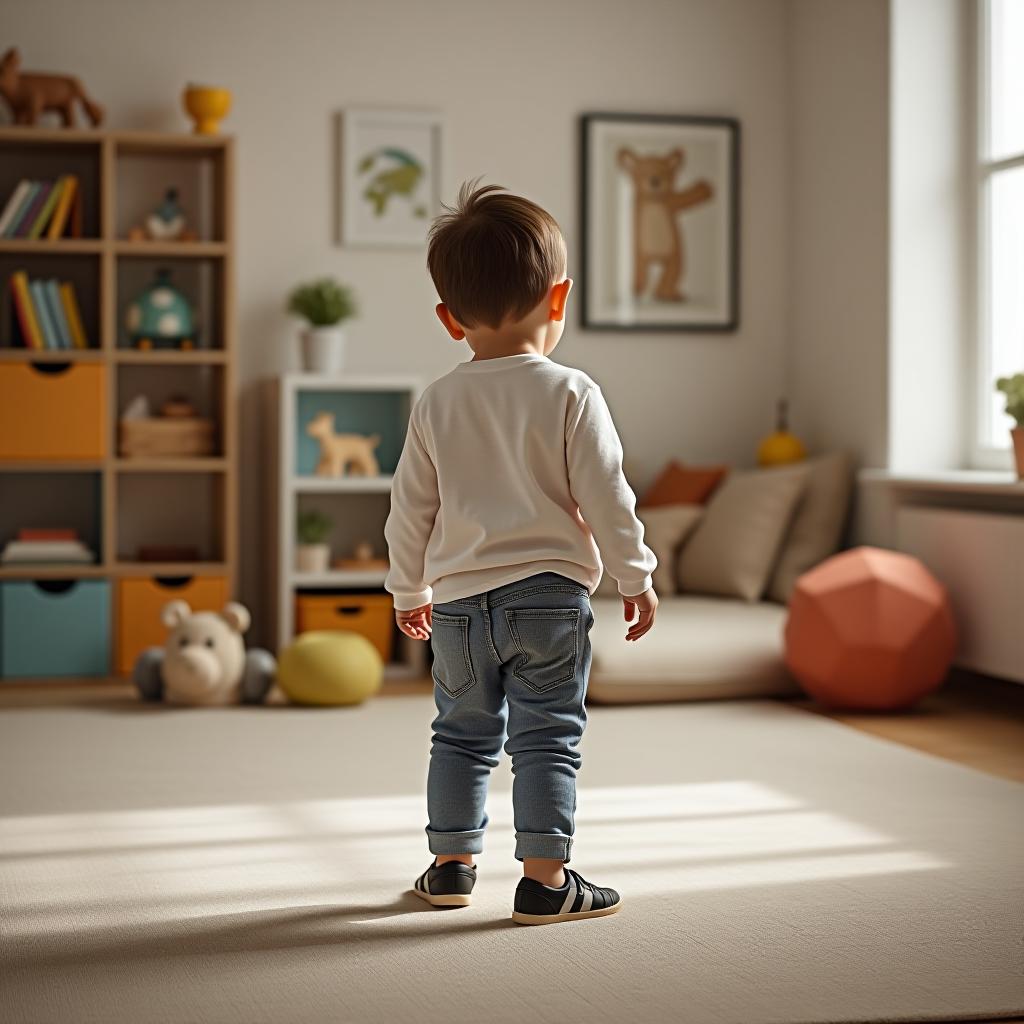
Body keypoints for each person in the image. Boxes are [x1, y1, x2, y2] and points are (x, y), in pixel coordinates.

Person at [384, 182, 658, 925]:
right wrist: (636, 575)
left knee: (461, 734)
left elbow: (410, 505)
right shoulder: (572, 392)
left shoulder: (438, 401)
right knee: (547, 738)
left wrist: (409, 591)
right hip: (550, 599)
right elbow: (608, 496)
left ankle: (450, 867)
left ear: (449, 320)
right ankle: (544, 882)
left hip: (461, 607)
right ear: (559, 299)